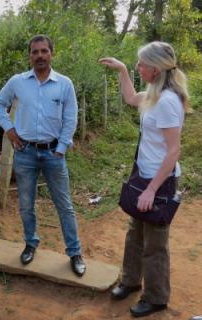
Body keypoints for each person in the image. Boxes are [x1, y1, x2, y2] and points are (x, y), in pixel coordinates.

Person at [99, 41, 188, 317]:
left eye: (140, 64)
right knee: (134, 234)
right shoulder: (153, 94)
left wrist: (151, 189)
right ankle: (130, 280)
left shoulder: (169, 101)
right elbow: (130, 98)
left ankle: (156, 297)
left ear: (155, 68)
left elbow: (174, 151)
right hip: (144, 174)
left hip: (158, 181)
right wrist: (123, 71)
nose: (138, 67)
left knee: (155, 243)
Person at [0, 34, 86, 277]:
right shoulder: (18, 81)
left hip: (54, 153)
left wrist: (62, 147)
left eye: (44, 51)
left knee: (64, 205)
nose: (40, 56)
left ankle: (75, 252)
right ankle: (30, 243)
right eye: (35, 52)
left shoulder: (64, 84)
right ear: (30, 56)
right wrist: (10, 131)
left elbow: (71, 118)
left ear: (52, 54)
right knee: (25, 204)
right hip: (25, 153)